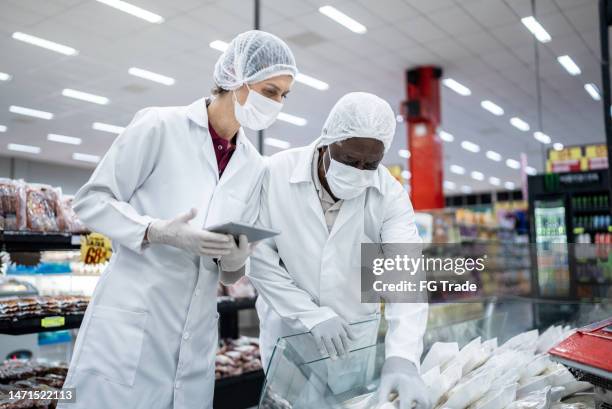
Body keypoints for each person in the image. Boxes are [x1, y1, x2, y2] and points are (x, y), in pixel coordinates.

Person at [59, 30, 297, 409]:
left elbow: (229, 273)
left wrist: (234, 263)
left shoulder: (254, 166)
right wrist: (155, 231)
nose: (278, 104)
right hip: (132, 321)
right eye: (270, 91)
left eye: (284, 95)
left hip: (197, 334)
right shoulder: (160, 125)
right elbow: (91, 200)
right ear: (235, 78)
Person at [248, 92, 431, 409]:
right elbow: (260, 262)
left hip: (353, 342)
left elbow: (405, 275)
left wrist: (402, 357)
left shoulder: (389, 193)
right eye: (350, 160)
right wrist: (311, 315)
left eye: (369, 164)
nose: (359, 170)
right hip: (290, 336)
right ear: (326, 142)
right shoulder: (274, 174)